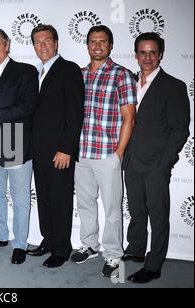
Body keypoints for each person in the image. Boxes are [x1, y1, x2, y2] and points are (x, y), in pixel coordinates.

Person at [122, 32, 190, 283]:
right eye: (142, 52)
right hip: (131, 160)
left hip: (156, 164)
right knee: (136, 209)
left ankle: (154, 264)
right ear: (136, 55)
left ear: (160, 54)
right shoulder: (128, 82)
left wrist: (165, 162)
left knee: (158, 214)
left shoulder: (173, 86)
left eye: (152, 52)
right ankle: (136, 249)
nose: (147, 57)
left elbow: (180, 128)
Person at [71, 25, 137, 278]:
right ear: (87, 45)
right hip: (81, 152)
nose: (97, 46)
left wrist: (118, 154)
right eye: (93, 41)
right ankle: (89, 244)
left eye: (102, 41)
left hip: (108, 154)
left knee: (111, 208)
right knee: (85, 204)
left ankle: (113, 254)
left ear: (110, 45)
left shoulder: (122, 75)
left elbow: (129, 118)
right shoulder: (78, 74)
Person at [0, 28, 39, 265]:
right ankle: (0, 235)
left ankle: (19, 243)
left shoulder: (25, 71)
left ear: (7, 45)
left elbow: (29, 106)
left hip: (15, 143)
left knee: (20, 198)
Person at [28, 24, 84, 268]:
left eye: (47, 41)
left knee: (60, 199)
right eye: (38, 42)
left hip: (60, 150)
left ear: (56, 43)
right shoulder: (36, 72)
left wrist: (67, 149)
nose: (42, 46)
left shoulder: (68, 69)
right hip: (38, 150)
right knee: (44, 197)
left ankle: (62, 248)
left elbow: (75, 113)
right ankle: (48, 240)